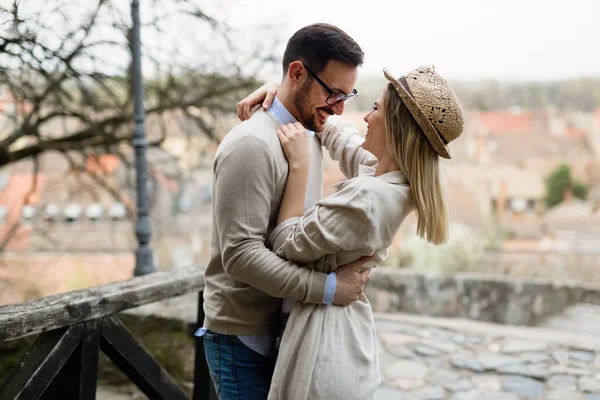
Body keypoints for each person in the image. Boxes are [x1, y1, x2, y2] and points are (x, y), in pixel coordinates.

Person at [236, 65, 464, 399]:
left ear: (397, 128)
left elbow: (285, 243)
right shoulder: (388, 179)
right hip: (341, 344)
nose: (366, 119)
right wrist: (282, 91)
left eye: (375, 109)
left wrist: (299, 167)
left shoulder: (369, 198)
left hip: (323, 354)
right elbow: (342, 138)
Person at [199, 23, 373, 400]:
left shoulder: (308, 129)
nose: (340, 108)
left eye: (348, 94)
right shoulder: (251, 146)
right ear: (297, 73)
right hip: (241, 337)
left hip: (282, 327)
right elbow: (240, 255)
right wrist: (328, 289)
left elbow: (369, 158)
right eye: (334, 93)